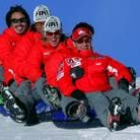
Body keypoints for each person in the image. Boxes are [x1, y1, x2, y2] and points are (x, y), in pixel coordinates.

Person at [56, 22, 140, 131]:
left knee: (121, 95)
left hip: (106, 90)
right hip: (86, 94)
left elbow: (119, 69)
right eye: (80, 41)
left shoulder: (101, 59)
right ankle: (111, 118)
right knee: (99, 99)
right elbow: (62, 79)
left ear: (91, 41)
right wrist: (74, 92)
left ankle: (136, 112)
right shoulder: (69, 61)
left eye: (87, 40)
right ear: (75, 43)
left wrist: (123, 80)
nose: (84, 44)